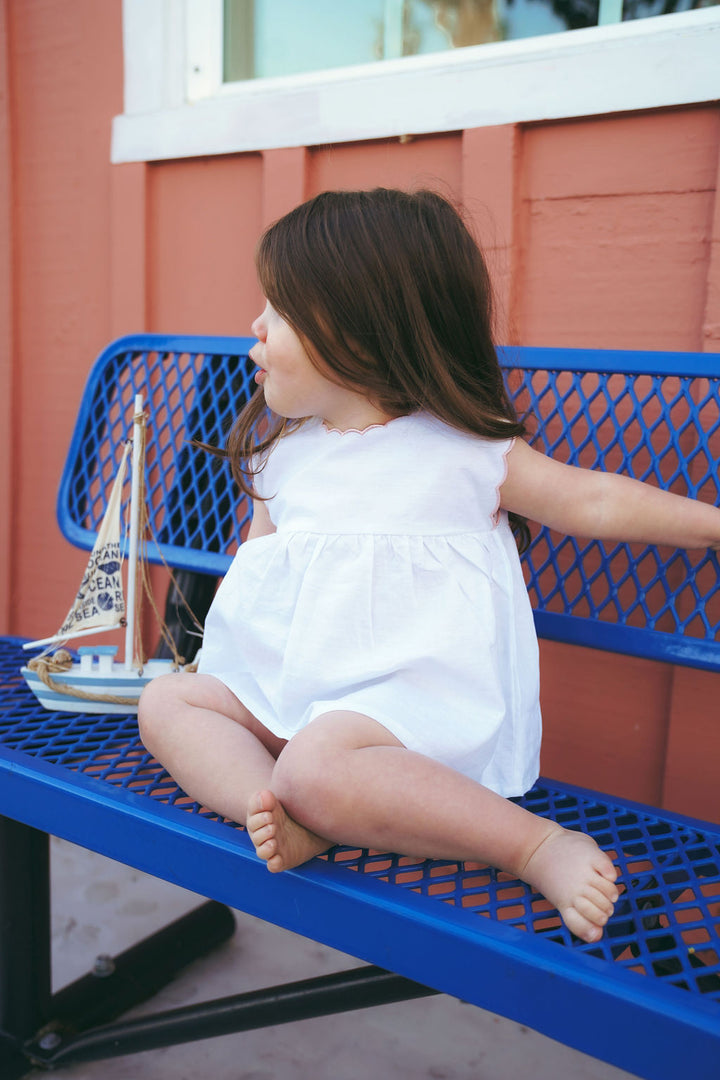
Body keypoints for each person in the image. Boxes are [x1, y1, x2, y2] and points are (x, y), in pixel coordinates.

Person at [138, 188, 720, 945]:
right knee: (168, 702)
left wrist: (710, 525)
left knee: (317, 766)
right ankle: (279, 813)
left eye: (278, 310)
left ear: (360, 331)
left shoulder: (465, 454)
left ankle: (534, 845)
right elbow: (260, 572)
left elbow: (594, 502)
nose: (255, 325)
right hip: (293, 695)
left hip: (403, 719)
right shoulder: (284, 455)